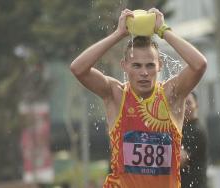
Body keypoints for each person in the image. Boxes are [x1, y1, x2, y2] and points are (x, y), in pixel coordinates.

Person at [70, 8, 207, 188]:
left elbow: (199, 65)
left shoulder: (171, 95)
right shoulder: (116, 94)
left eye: (150, 65)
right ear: (124, 66)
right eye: (136, 65)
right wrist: (118, 34)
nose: (144, 73)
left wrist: (163, 31)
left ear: (159, 66)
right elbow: (78, 68)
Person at [180, 92, 207, 188]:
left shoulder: (196, 130)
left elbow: (180, 159)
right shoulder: (183, 128)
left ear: (196, 105)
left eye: (188, 103)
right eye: (182, 103)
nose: (185, 107)